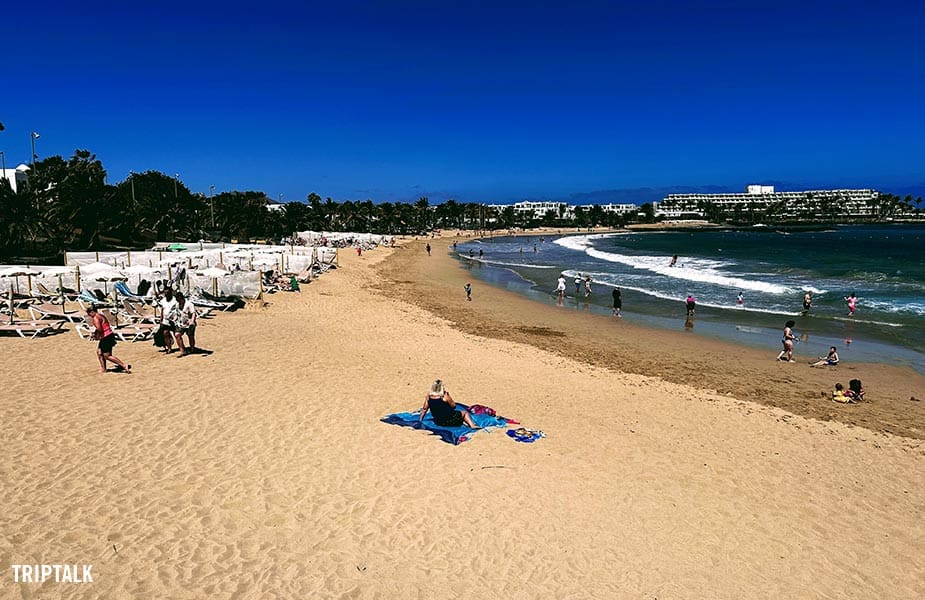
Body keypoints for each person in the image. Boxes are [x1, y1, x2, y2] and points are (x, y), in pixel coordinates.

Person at [87, 306, 131, 374]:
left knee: (107, 355)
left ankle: (124, 365)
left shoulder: (96, 318)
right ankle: (103, 369)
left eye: (89, 314)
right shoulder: (101, 315)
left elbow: (99, 329)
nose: (89, 316)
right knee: (99, 353)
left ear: (92, 312)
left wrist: (94, 334)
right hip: (108, 335)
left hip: (106, 336)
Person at [173, 292, 198, 356]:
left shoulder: (189, 304)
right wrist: (174, 319)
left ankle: (192, 348)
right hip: (181, 323)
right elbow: (177, 313)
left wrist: (192, 321)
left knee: (190, 336)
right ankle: (182, 350)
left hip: (189, 323)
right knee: (177, 335)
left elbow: (193, 313)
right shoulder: (177, 305)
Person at [159, 288, 178, 354]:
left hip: (174, 320)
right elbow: (162, 310)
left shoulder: (175, 300)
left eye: (168, 293)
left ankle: (181, 347)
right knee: (165, 333)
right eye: (165, 293)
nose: (166, 294)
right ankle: (169, 348)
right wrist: (161, 319)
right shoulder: (163, 300)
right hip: (165, 320)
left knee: (177, 334)